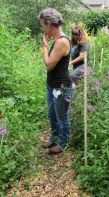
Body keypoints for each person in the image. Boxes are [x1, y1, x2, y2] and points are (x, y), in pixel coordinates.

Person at [38, 8, 74, 155]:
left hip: (62, 87)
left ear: (48, 24)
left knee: (61, 116)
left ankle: (63, 142)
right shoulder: (57, 39)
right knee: (52, 115)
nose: (42, 28)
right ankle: (54, 137)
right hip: (52, 85)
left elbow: (48, 65)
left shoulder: (62, 42)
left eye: (42, 25)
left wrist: (45, 46)